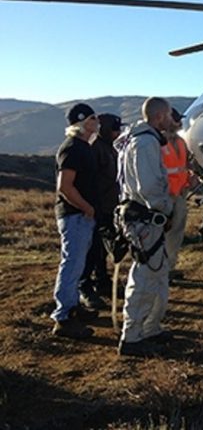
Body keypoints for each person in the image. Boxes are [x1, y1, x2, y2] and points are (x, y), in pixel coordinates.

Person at [115, 97, 175, 357]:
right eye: (170, 115)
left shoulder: (135, 140)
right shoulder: (146, 142)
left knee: (156, 272)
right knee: (144, 276)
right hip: (146, 219)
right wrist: (165, 209)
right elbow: (149, 186)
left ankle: (150, 327)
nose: (173, 120)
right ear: (160, 116)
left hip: (143, 218)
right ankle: (132, 336)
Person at [51, 103, 100, 339]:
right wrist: (86, 207)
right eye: (93, 118)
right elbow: (65, 186)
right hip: (75, 215)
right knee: (72, 264)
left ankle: (73, 308)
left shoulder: (82, 147)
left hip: (81, 214)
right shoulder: (72, 149)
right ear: (82, 122)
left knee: (77, 264)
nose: (97, 121)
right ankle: (64, 317)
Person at [79, 113, 123, 310]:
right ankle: (85, 287)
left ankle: (103, 282)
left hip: (109, 206)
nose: (118, 132)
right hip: (97, 206)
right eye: (115, 128)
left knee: (103, 248)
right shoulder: (96, 149)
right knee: (92, 249)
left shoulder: (110, 148)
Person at [163, 108, 196, 283]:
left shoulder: (181, 142)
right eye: (176, 120)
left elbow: (183, 165)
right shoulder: (158, 143)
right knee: (163, 236)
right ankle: (162, 270)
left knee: (175, 235)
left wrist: (189, 178)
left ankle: (169, 267)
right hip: (165, 196)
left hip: (180, 194)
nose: (180, 123)